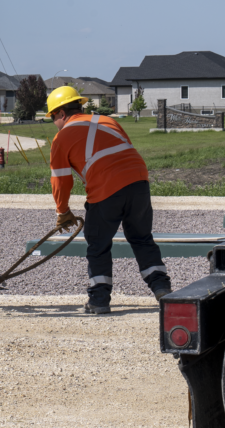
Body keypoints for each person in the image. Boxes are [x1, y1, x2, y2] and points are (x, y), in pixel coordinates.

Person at [46, 86, 171, 314]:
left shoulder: (61, 138)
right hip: (139, 180)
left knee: (98, 244)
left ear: (61, 114)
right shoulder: (107, 120)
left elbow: (61, 180)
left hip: (106, 187)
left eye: (53, 117)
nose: (54, 122)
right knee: (142, 238)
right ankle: (162, 289)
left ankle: (99, 300)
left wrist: (62, 212)